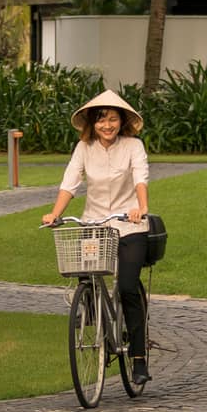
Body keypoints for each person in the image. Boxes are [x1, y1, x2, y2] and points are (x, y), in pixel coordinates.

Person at [42, 89, 153, 385]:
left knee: (128, 286)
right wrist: (54, 214)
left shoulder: (133, 146)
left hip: (129, 226)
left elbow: (141, 177)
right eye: (102, 120)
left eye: (113, 120)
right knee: (85, 273)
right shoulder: (84, 148)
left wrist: (141, 208)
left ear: (122, 122)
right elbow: (70, 183)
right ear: (93, 123)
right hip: (95, 224)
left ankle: (139, 358)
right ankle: (94, 315)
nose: (107, 126)